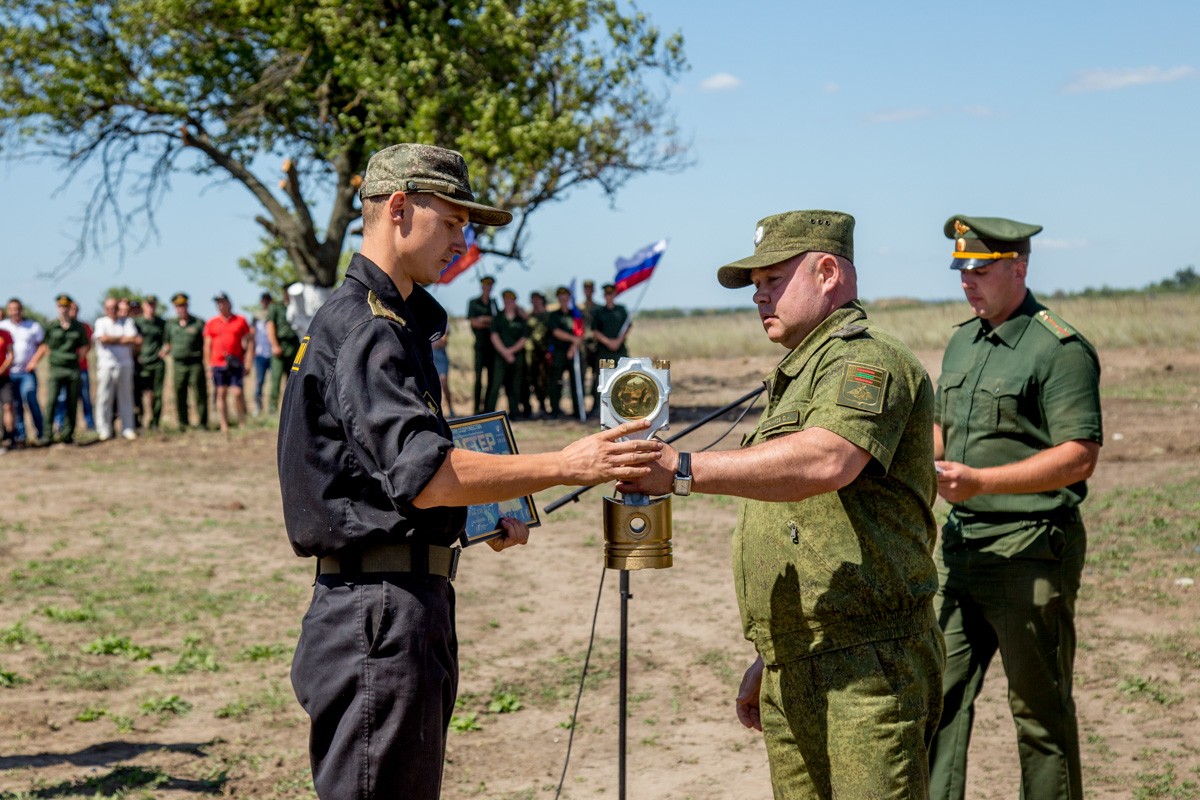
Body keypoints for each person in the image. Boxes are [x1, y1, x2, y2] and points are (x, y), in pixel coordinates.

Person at [278, 143, 662, 800]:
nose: (462, 241)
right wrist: (569, 464)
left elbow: (383, 479)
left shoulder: (389, 321)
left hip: (395, 603)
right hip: (378, 615)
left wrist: (476, 517)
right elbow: (428, 475)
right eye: (452, 221)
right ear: (399, 208)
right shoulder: (368, 328)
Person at [618, 210, 944, 799]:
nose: (758, 296)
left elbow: (826, 460)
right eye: (754, 284)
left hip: (867, 665)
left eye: (773, 279)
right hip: (800, 657)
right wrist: (773, 656)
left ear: (827, 273)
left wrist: (682, 469)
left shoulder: (866, 360)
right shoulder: (801, 372)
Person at [928, 216, 1102, 800]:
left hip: (1029, 550)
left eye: (980, 271)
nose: (967, 282)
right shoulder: (962, 340)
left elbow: (1079, 456)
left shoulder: (1059, 349)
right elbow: (942, 430)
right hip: (962, 550)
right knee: (938, 699)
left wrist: (981, 482)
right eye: (962, 271)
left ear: (1019, 268)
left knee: (1039, 714)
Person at [39, 294, 90, 445]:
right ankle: (47, 435)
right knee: (51, 401)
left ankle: (68, 435)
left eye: (66, 306)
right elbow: (45, 345)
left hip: (72, 369)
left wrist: (76, 359)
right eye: (61, 306)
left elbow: (85, 346)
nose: (64, 309)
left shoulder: (78, 327)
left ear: (70, 307)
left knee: (72, 402)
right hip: (56, 369)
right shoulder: (51, 326)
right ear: (57, 308)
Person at [92, 297, 141, 441]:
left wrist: (113, 340)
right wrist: (122, 339)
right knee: (104, 397)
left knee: (126, 397)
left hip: (125, 364)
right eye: (109, 308)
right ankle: (104, 429)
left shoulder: (127, 322)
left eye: (115, 308)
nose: (112, 311)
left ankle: (127, 428)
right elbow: (103, 339)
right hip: (106, 365)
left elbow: (134, 339)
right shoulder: (100, 322)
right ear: (105, 309)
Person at [203, 292, 254, 433]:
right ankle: (224, 424)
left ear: (228, 303)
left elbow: (250, 342)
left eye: (222, 302)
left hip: (236, 362)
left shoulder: (241, 320)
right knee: (221, 392)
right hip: (217, 364)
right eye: (218, 303)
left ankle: (241, 421)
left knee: (237, 392)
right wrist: (208, 367)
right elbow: (207, 346)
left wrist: (248, 363)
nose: (220, 305)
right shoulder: (211, 323)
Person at [0, 298, 46, 446]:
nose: (15, 312)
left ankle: (41, 433)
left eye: (17, 309)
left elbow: (43, 346)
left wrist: (33, 361)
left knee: (30, 396)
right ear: (8, 311)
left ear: (21, 310)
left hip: (26, 372)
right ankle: (21, 437)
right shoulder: (3, 326)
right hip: (10, 373)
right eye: (12, 309)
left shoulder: (33, 326)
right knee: (15, 405)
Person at [163, 293, 208, 430]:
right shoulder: (170, 324)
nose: (181, 308)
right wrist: (163, 351)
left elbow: (206, 343)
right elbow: (167, 342)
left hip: (195, 362)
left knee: (200, 393)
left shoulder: (198, 322)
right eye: (178, 306)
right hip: (178, 363)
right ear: (175, 308)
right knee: (179, 393)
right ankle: (183, 423)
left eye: (183, 305)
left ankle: (202, 423)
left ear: (187, 305)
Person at [52, 301, 95, 435]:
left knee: (85, 398)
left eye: (75, 309)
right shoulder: (58, 326)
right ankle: (61, 425)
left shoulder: (84, 327)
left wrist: (78, 358)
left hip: (81, 368)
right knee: (62, 398)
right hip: (64, 369)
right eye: (71, 309)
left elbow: (88, 345)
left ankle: (90, 425)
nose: (73, 312)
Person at [484, 289, 530, 415]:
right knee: (495, 385)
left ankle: (515, 412)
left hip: (517, 356)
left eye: (510, 300)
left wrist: (511, 351)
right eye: (506, 300)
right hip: (500, 356)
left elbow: (524, 338)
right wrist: (505, 352)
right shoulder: (498, 317)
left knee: (515, 385)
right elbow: (494, 336)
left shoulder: (521, 319)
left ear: (515, 301)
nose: (508, 302)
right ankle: (488, 413)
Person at [590, 282, 631, 412]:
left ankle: (622, 406)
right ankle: (598, 407)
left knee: (622, 377)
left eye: (611, 293)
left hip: (619, 350)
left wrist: (618, 341)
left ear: (614, 294)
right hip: (604, 351)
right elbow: (595, 330)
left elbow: (627, 326)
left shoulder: (621, 310)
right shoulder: (599, 312)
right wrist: (608, 342)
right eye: (607, 294)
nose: (609, 296)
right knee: (602, 378)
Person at [547, 285, 584, 419]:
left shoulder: (575, 314)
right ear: (558, 298)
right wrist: (573, 339)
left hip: (574, 352)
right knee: (556, 382)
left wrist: (573, 347)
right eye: (561, 296)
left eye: (566, 296)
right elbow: (556, 332)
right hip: (558, 353)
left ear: (569, 298)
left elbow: (580, 333)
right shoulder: (554, 315)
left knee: (576, 381)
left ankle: (578, 411)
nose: (563, 298)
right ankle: (555, 411)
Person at [134, 295, 167, 431]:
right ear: (143, 306)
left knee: (157, 394)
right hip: (141, 363)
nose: (151, 307)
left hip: (157, 363)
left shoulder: (162, 323)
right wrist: (136, 353)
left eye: (153, 305)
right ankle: (138, 422)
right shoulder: (137, 322)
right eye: (148, 305)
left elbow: (168, 340)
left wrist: (165, 350)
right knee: (138, 394)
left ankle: (155, 423)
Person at [266, 289, 301, 412]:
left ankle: (290, 408)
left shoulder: (298, 306)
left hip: (295, 345)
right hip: (280, 344)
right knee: (276, 378)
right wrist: (275, 345)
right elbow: (270, 326)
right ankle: (272, 408)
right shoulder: (276, 307)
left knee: (294, 378)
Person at [467, 275, 497, 414]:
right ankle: (476, 409)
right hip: (480, 346)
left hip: (493, 347)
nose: (488, 287)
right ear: (482, 286)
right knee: (478, 379)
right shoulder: (474, 302)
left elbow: (496, 321)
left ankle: (488, 409)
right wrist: (487, 321)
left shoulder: (493, 303)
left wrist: (483, 320)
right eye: (486, 285)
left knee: (491, 379)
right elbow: (474, 323)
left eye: (490, 285)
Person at [525, 291, 551, 417]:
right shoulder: (528, 316)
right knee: (533, 380)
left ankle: (546, 405)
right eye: (533, 299)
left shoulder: (547, 316)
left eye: (538, 299)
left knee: (545, 380)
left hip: (546, 353)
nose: (535, 302)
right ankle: (536, 405)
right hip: (532, 354)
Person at [252, 292, 273, 414]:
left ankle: (272, 407)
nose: (265, 302)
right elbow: (252, 334)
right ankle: (258, 406)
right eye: (264, 300)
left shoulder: (273, 314)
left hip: (272, 353)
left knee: (274, 383)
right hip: (260, 353)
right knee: (259, 381)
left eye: (267, 300)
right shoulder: (256, 316)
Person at [430, 320, 456, 417]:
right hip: (430, 355)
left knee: (443, 382)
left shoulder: (442, 319)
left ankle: (450, 409)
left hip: (440, 356)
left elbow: (444, 341)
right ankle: (436, 412)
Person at [0, 322, 15, 450]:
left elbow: (11, 355)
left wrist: (2, 369)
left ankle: (10, 437)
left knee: (8, 406)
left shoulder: (5, 334)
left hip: (4, 377)